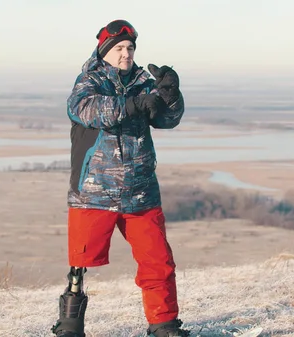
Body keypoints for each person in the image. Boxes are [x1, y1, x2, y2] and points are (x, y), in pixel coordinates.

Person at [50, 19, 189, 337]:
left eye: (130, 48)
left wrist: (170, 93)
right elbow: (86, 110)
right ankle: (70, 324)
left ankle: (164, 324)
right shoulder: (89, 82)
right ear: (105, 52)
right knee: (80, 263)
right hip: (94, 191)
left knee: (158, 261)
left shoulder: (143, 83)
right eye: (119, 48)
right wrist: (131, 104)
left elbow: (167, 119)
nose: (126, 54)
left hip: (140, 192)